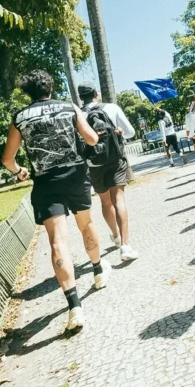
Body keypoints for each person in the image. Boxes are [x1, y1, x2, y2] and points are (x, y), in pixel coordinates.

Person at [1, 70, 107, 333]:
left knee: (57, 241)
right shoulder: (68, 107)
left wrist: (20, 171)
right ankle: (98, 271)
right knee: (86, 224)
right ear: (50, 87)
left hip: (46, 182)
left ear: (28, 91)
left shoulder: (20, 117)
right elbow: (92, 138)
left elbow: (7, 159)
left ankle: (74, 306)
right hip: (75, 175)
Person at [78, 84, 139, 263]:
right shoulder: (111, 108)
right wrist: (117, 133)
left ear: (81, 97)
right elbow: (130, 132)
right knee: (118, 199)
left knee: (105, 202)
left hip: (93, 164)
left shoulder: (78, 115)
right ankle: (126, 246)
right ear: (96, 94)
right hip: (115, 159)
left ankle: (116, 235)